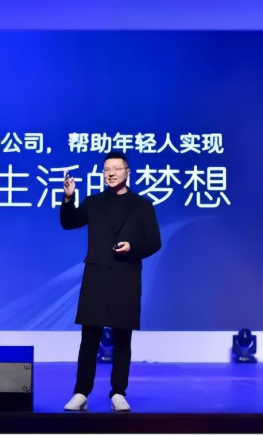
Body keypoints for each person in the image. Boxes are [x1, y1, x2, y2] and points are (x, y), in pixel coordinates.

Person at [60, 152, 161, 411]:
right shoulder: (94, 203)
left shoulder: (142, 205)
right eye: (107, 169)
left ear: (127, 171)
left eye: (116, 168)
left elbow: (154, 242)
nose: (111, 173)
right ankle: (81, 392)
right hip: (96, 276)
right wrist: (69, 197)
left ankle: (118, 392)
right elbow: (69, 223)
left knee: (122, 338)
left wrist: (132, 247)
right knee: (89, 338)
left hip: (126, 274)